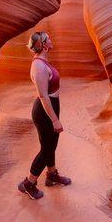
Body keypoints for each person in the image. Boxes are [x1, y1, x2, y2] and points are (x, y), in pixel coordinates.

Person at [18, 31, 71, 200]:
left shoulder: (43, 62)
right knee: (47, 148)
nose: (51, 40)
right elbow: (43, 95)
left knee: (51, 145)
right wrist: (55, 120)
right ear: (42, 44)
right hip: (44, 111)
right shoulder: (38, 66)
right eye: (48, 39)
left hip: (50, 107)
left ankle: (52, 175)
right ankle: (28, 183)